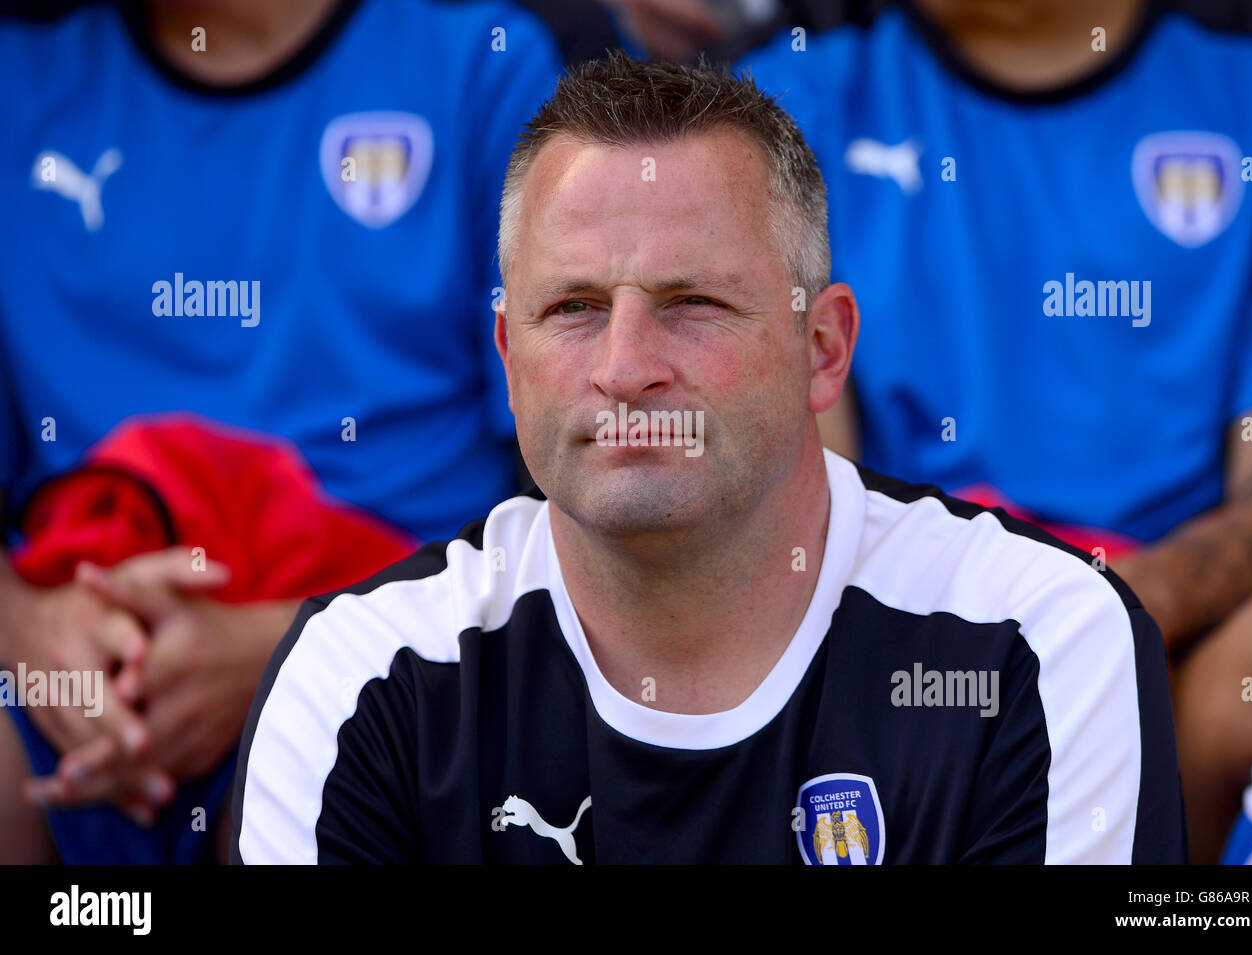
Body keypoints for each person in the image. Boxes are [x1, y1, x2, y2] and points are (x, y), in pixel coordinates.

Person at [232, 51, 1184, 864]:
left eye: (693, 302)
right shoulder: (359, 680)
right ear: (508, 362)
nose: (626, 368)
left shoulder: (1041, 642)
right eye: (573, 309)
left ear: (824, 349)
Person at [0, 0, 605, 863]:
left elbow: (591, 485)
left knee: (308, 776)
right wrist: (25, 629)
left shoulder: (479, 58)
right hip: (76, 643)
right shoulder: (19, 77)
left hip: (405, 630)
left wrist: (291, 647)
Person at [741, 0, 1252, 863]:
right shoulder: (795, 95)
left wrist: (1104, 612)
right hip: (917, 636)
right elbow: (811, 499)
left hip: (1180, 639)